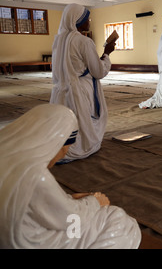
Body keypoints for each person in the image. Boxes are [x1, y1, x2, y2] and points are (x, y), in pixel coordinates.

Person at [0, 104, 141, 249]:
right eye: (65, 149)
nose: (64, 154)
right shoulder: (35, 175)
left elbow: (35, 206)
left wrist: (70, 199)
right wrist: (95, 201)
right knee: (117, 218)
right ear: (55, 145)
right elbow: (70, 218)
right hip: (36, 241)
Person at [50, 3, 115, 163]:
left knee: (64, 124)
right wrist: (107, 53)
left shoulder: (59, 40)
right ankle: (77, 148)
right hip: (79, 90)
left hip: (60, 91)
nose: (89, 21)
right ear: (78, 20)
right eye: (87, 18)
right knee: (80, 123)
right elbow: (98, 71)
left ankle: (59, 147)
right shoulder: (84, 42)